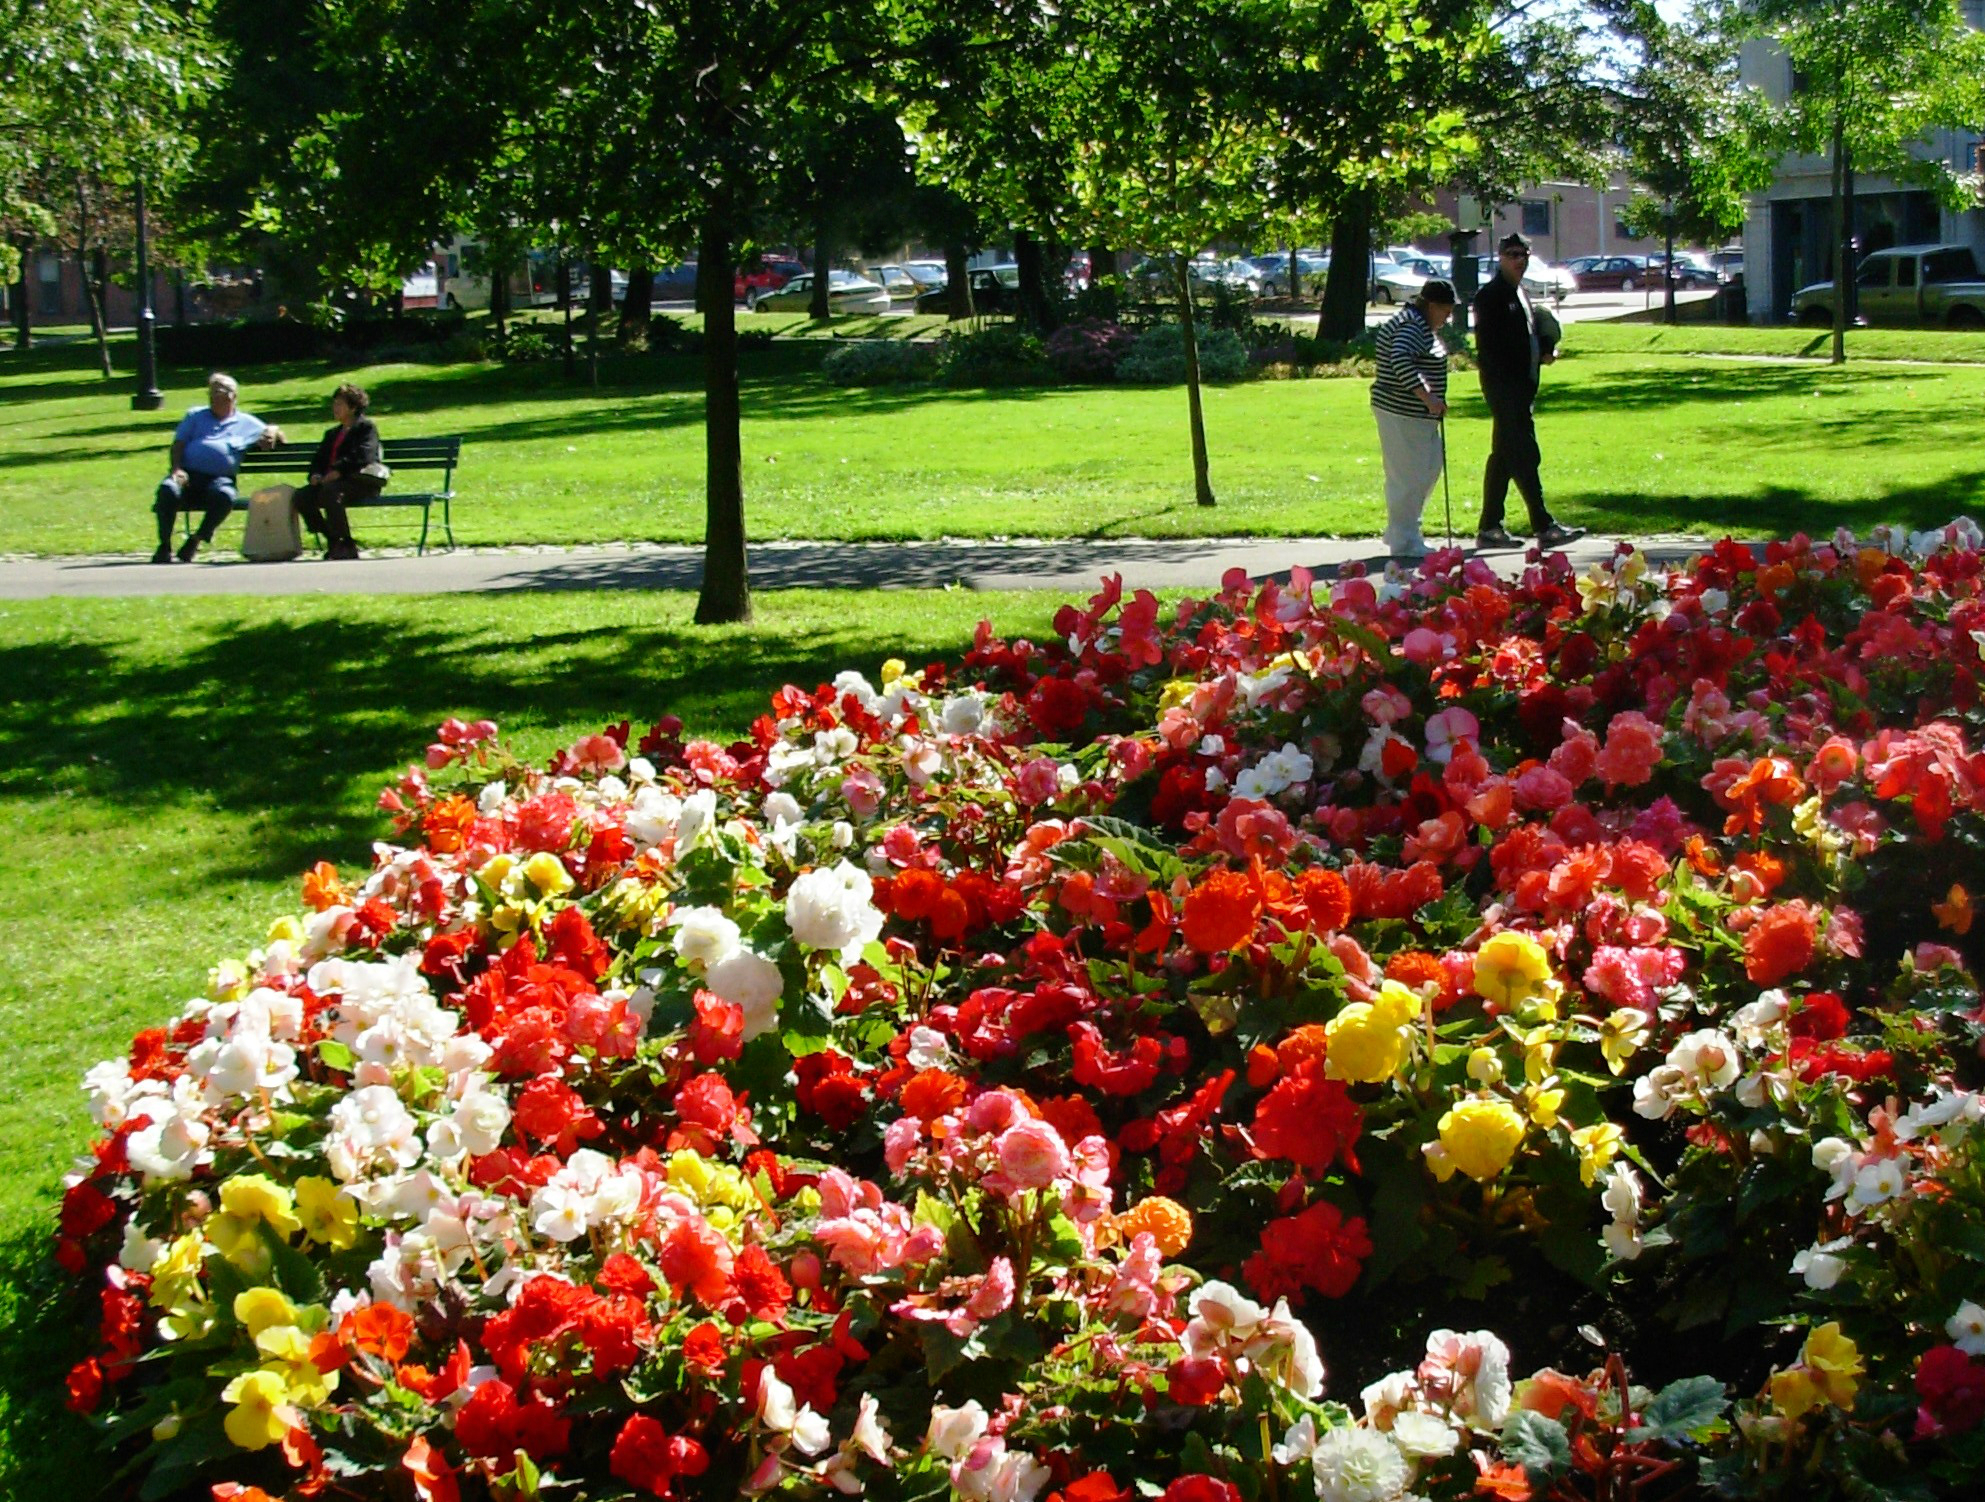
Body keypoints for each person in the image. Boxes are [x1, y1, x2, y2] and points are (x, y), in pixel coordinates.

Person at [1471, 232, 1585, 551]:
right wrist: (1510, 384)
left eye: (1524, 255)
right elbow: (1491, 349)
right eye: (1512, 254)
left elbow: (1529, 335)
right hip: (1505, 389)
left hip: (1522, 388)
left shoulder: (1519, 292)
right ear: (1500, 257)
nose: (1519, 261)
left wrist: (1544, 349)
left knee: (1504, 457)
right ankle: (1544, 525)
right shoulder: (1491, 296)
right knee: (1525, 454)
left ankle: (1490, 526)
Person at [153, 373, 283, 563]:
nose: (214, 399)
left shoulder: (247, 423)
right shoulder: (195, 415)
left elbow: (279, 437)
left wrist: (273, 429)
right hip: (187, 476)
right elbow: (178, 444)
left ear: (233, 397)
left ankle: (196, 540)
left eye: (219, 394)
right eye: (212, 394)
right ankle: (164, 546)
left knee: (225, 495)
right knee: (168, 489)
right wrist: (176, 469)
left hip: (219, 479)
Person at [1369, 279, 1457, 559]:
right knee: (1409, 477)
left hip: (1416, 416)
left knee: (1428, 469)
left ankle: (1402, 530)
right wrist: (1427, 397)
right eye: (1445, 310)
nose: (1448, 317)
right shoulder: (1411, 326)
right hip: (1402, 413)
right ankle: (1404, 540)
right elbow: (1400, 360)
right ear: (1431, 306)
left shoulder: (1418, 324)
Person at [295, 383, 383, 560]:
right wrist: (315, 475)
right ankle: (334, 540)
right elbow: (319, 459)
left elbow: (364, 455)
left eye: (339, 404)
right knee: (301, 496)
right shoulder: (332, 433)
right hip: (331, 483)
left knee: (330, 492)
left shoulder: (366, 428)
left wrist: (339, 470)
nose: (335, 408)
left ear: (353, 407)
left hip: (359, 482)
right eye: (334, 404)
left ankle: (346, 543)